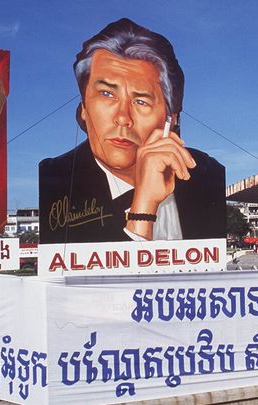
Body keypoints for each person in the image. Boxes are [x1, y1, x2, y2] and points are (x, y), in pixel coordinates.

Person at [39, 18, 226, 244]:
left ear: (171, 119)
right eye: (107, 95)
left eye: (141, 102)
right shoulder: (52, 180)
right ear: (84, 110)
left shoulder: (207, 173)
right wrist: (143, 208)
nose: (122, 118)